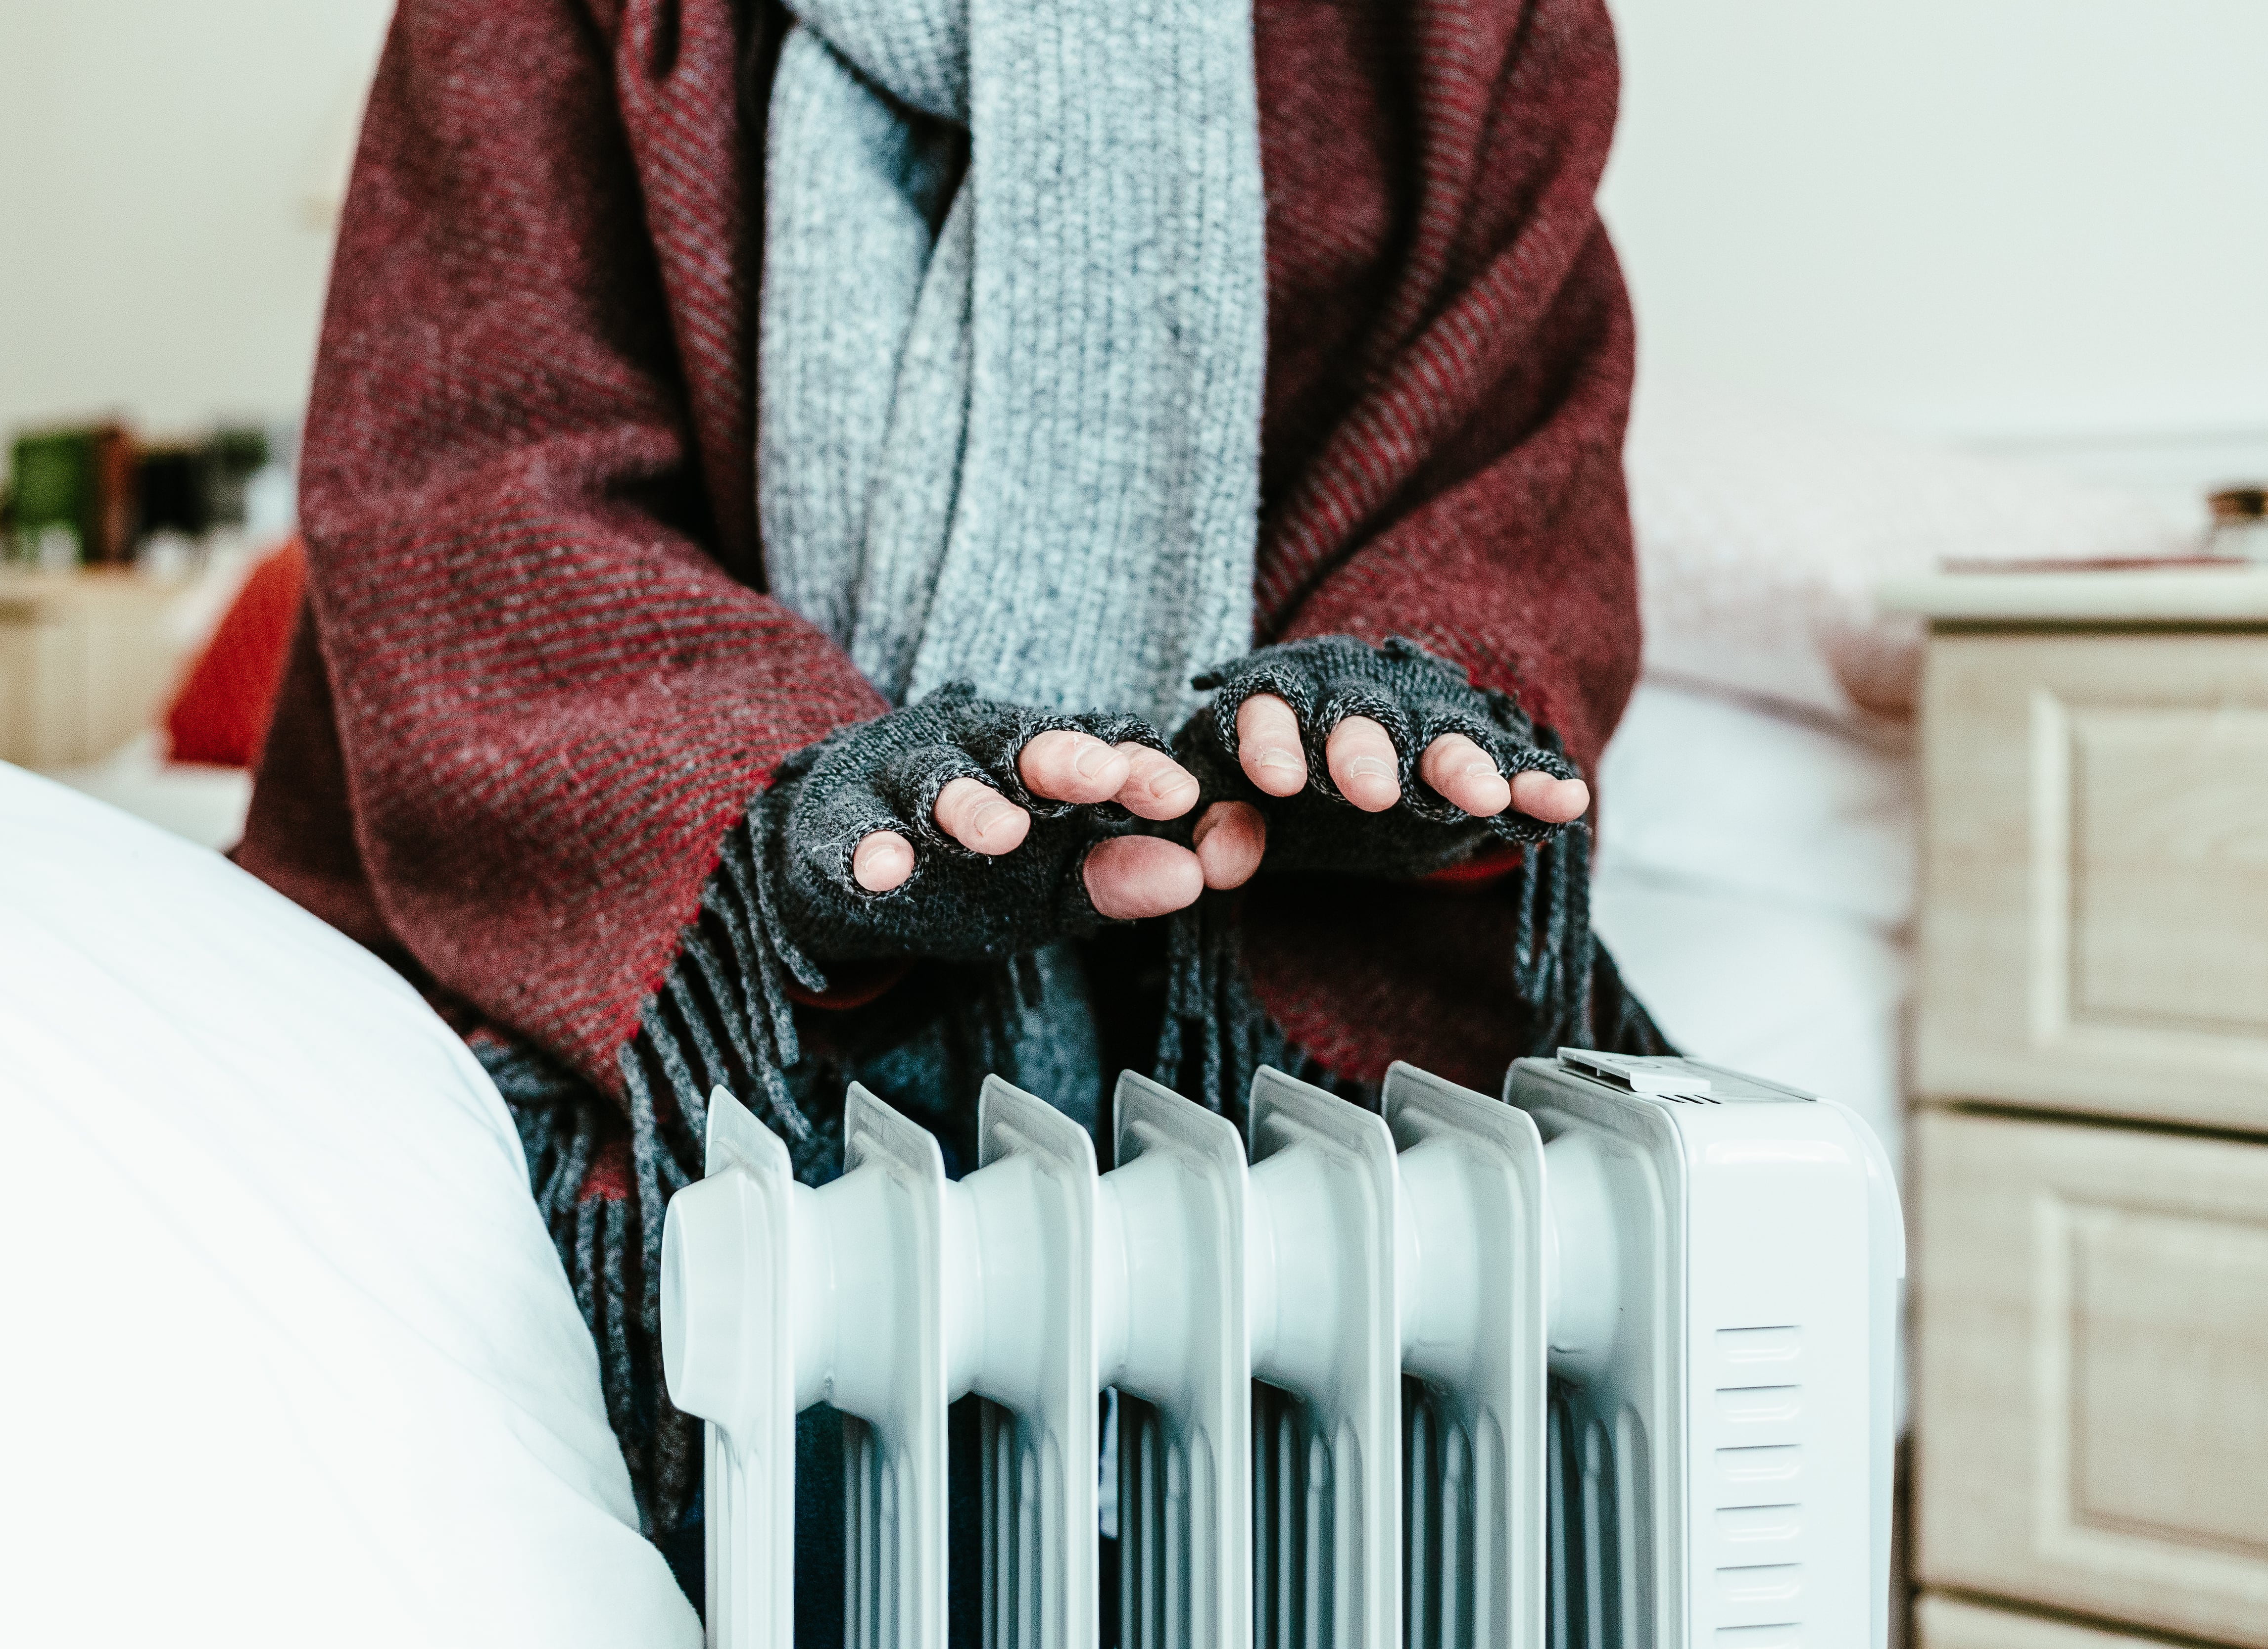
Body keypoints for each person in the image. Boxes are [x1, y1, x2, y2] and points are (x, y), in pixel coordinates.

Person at [234, 0, 1663, 1617]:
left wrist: (1397, 714)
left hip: (1246, 974)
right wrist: (788, 811)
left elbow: (1510, 464)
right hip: (714, 980)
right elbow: (469, 502)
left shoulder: (1473, 32)